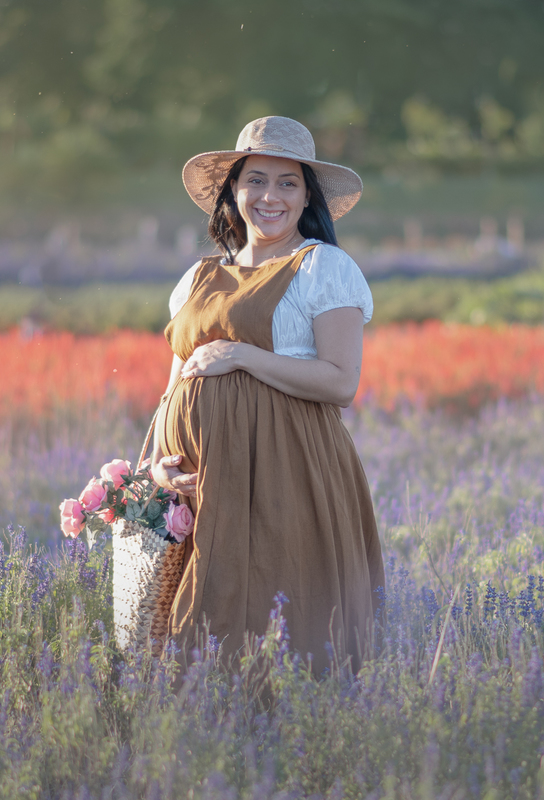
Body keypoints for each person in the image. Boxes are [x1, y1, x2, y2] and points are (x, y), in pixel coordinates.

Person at [149, 116, 385, 675]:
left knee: (281, 621)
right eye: (256, 179)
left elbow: (340, 382)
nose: (269, 196)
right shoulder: (198, 278)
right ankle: (202, 747)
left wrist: (242, 355)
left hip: (286, 473)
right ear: (233, 189)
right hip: (200, 484)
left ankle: (289, 746)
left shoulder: (323, 267)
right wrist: (154, 468)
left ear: (307, 197)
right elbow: (171, 392)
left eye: (287, 183)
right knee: (191, 631)